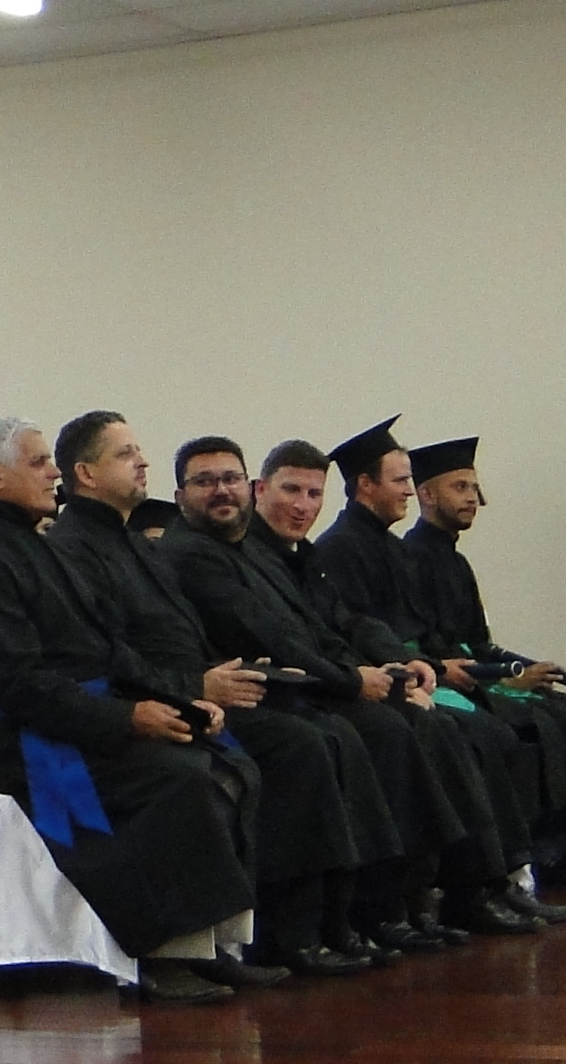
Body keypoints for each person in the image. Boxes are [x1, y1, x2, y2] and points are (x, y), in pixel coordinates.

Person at [0, 419, 263, 1002]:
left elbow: (108, 651)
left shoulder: (37, 546)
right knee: (177, 778)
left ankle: (208, 944)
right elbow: (20, 685)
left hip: (79, 716)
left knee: (227, 765)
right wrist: (126, 719)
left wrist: (182, 699)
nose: (53, 473)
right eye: (38, 462)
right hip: (26, 740)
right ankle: (162, 950)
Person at [45, 412, 378, 978]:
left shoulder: (132, 543)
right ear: (86, 473)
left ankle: (335, 917)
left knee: (325, 733)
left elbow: (181, 634)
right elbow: (106, 649)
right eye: (125, 454)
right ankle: (283, 933)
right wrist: (194, 687)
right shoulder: (73, 548)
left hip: (191, 692)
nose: (141, 462)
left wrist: (213, 675)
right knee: (297, 744)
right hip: (147, 705)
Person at [162, 437, 526, 947]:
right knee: (367, 733)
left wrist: (395, 663)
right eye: (206, 481)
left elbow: (338, 621)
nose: (302, 505)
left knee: (430, 725)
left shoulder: (269, 552)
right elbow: (272, 637)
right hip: (267, 693)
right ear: (261, 490)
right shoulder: (197, 553)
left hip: (309, 684)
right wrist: (356, 680)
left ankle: (456, 889)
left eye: (313, 494)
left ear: (246, 486)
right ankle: (357, 915)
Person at [314, 418, 566, 921]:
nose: (408, 491)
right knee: (478, 734)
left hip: (421, 671)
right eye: (399, 480)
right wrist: (422, 668)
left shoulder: (390, 546)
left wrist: (435, 663)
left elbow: (423, 630)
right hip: (390, 680)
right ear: (365, 484)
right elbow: (356, 631)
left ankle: (506, 876)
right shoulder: (340, 548)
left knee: (507, 728)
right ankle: (471, 890)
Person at [404, 435, 566, 883]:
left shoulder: (456, 562)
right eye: (460, 487)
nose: (472, 498)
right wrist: (505, 678)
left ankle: (563, 848)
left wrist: (525, 667)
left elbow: (478, 641)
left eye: (473, 488)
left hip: (477, 672)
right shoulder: (411, 559)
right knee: (536, 722)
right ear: (426, 494)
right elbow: (435, 648)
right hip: (451, 682)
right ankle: (537, 853)